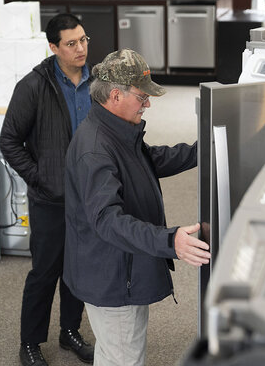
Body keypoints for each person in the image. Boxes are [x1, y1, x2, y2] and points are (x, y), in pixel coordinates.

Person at [63, 49, 212, 366]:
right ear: (115, 95)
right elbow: (107, 220)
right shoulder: (95, 149)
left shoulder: (115, 131)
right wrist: (170, 241)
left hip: (118, 268)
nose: (148, 104)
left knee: (112, 352)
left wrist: (206, 150)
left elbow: (149, 160)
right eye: (142, 97)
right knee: (123, 358)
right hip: (113, 279)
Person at [0, 13, 95, 366]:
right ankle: (29, 343)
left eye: (84, 40)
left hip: (89, 195)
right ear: (53, 47)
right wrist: (38, 177)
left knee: (78, 269)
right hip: (51, 198)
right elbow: (9, 141)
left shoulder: (97, 80)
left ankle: (70, 332)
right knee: (45, 273)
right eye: (71, 44)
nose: (81, 48)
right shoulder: (33, 85)